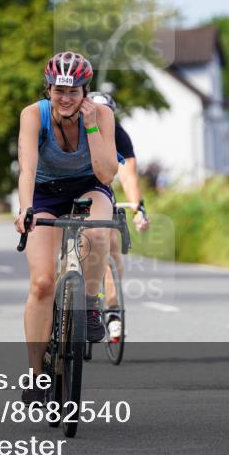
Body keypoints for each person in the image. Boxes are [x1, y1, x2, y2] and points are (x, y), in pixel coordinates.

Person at [14, 51, 119, 405]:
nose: (66, 98)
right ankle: (35, 375)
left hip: (90, 186)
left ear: (85, 92)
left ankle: (89, 303)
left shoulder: (102, 115)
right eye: (59, 90)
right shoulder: (34, 115)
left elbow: (106, 173)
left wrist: (91, 127)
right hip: (44, 193)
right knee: (43, 283)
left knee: (99, 232)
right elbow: (27, 168)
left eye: (74, 91)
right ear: (48, 89)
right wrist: (26, 209)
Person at [89, 92, 150, 342]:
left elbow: (128, 175)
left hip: (102, 193)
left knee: (111, 248)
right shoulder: (76, 129)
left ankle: (112, 311)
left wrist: (138, 209)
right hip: (70, 191)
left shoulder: (119, 135)